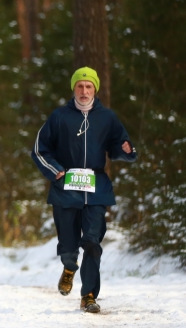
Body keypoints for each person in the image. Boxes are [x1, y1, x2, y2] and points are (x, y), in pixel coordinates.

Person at [30, 67, 137, 313]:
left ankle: (88, 295)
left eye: (89, 86)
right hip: (65, 187)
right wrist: (55, 170)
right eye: (80, 86)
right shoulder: (59, 116)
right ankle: (69, 267)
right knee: (69, 245)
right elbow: (39, 149)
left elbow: (119, 145)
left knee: (92, 242)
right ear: (74, 88)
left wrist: (127, 151)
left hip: (96, 188)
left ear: (95, 89)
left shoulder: (107, 117)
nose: (84, 91)